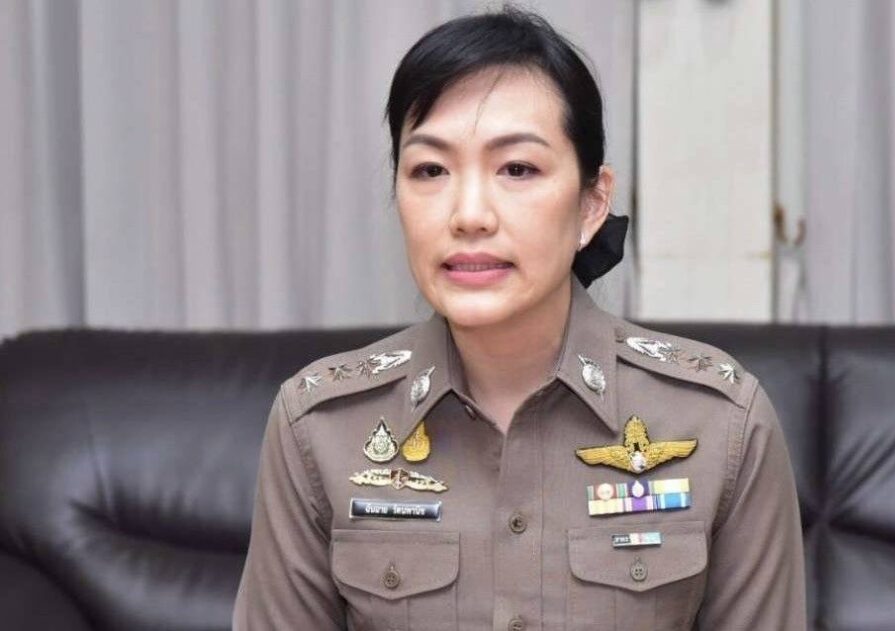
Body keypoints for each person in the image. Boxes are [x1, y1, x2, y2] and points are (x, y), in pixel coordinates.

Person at [233, 6, 805, 630]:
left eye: (517, 169)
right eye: (430, 170)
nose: (469, 214)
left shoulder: (720, 423)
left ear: (591, 204)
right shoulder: (320, 426)